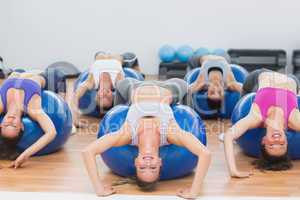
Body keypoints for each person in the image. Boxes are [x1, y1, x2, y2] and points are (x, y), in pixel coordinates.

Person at [82, 78, 211, 199]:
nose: (148, 164)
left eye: (142, 168)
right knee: (184, 87)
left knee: (121, 84)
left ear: (136, 162)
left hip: (136, 87)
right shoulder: (171, 133)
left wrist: (99, 189)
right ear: (160, 162)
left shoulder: (126, 134)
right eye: (153, 168)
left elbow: (87, 152)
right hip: (169, 88)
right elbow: (205, 153)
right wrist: (194, 192)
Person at [224, 71, 300, 176]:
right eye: (281, 144)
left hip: (255, 80)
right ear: (287, 141)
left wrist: (233, 170)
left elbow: (228, 136)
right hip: (291, 77)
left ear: (264, 141)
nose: (277, 140)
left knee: (241, 88)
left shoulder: (256, 117)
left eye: (272, 145)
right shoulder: (295, 120)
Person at [0, 72, 57, 167]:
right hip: (40, 73)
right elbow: (52, 132)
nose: (10, 120)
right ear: (21, 126)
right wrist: (25, 155)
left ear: (1, 124)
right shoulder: (32, 108)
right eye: (14, 125)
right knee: (56, 75)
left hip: (15, 71)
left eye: (6, 125)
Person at [72, 52, 125, 127]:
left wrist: (75, 118)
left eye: (101, 97)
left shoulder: (91, 82)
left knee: (100, 55)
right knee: (119, 56)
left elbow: (76, 96)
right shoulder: (119, 82)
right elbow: (132, 95)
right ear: (113, 96)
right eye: (107, 97)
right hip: (115, 59)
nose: (104, 93)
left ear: (96, 96)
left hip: (99, 58)